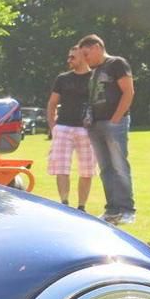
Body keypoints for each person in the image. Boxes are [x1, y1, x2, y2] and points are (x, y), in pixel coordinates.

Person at [77, 34, 135, 224]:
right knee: (105, 168)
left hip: (114, 123)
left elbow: (128, 91)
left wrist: (116, 118)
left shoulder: (117, 63)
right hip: (96, 124)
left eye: (86, 54)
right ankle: (112, 209)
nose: (85, 60)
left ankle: (127, 209)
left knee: (119, 166)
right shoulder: (94, 71)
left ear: (96, 47)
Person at [45, 46, 96, 211]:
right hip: (63, 127)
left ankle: (82, 207)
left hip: (87, 130)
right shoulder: (62, 79)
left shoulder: (95, 78)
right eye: (68, 57)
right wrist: (53, 127)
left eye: (72, 57)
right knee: (61, 167)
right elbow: (52, 104)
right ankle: (64, 204)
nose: (69, 60)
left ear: (83, 56)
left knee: (87, 170)